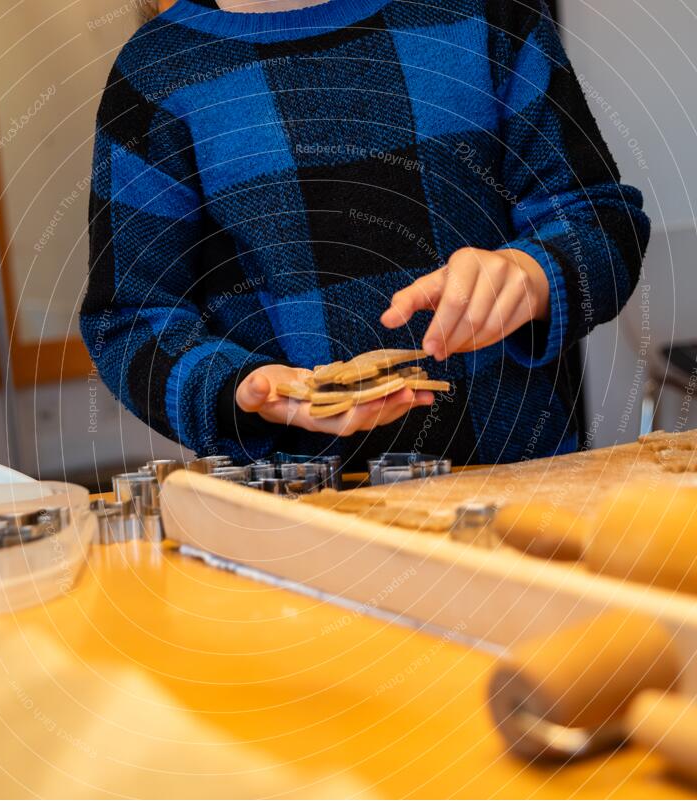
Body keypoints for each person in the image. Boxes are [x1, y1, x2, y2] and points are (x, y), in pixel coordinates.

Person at [81, 0, 650, 467]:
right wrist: (240, 390)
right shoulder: (155, 75)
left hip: (525, 485)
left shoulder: (485, 14)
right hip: (299, 520)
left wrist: (532, 274)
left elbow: (602, 222)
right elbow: (130, 320)